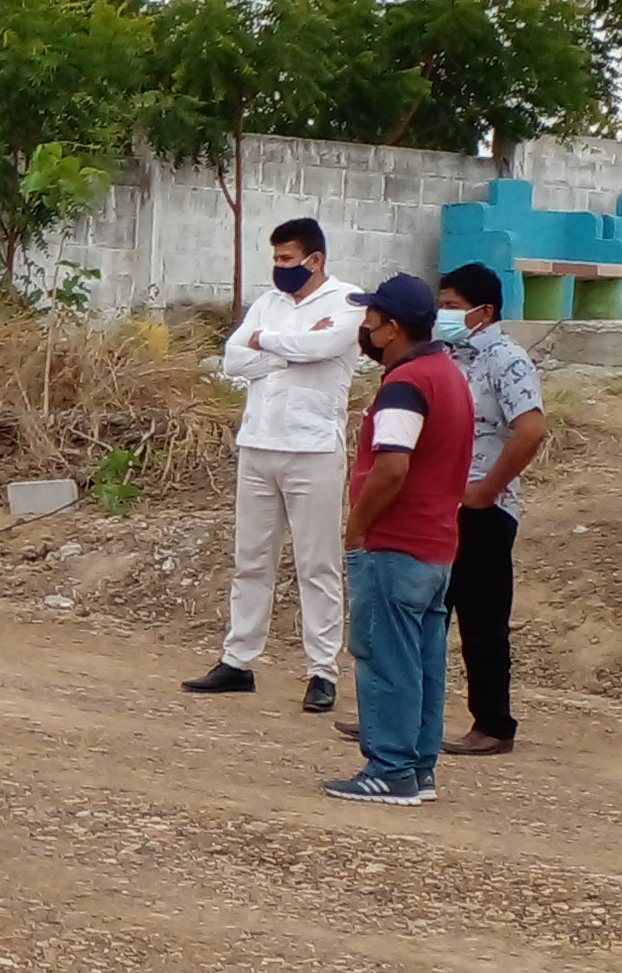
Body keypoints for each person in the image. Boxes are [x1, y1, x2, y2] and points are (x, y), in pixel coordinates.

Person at [182, 219, 361, 713]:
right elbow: (232, 360)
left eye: (287, 259)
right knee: (252, 558)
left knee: (316, 563)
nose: (279, 268)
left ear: (315, 259)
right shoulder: (268, 303)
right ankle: (238, 660)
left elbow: (324, 348)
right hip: (258, 443)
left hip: (313, 448)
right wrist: (285, 352)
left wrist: (266, 342)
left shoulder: (347, 301)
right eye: (276, 258)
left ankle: (322, 670)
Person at [326, 274, 476, 808]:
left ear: (392, 328)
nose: (365, 329)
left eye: (371, 320)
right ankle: (417, 767)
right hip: (437, 545)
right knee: (423, 663)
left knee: (386, 658)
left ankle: (389, 768)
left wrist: (357, 527)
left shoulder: (405, 384)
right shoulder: (449, 375)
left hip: (396, 543)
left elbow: (392, 466)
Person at [437, 264, 547, 756]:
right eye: (440, 305)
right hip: (437, 503)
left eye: (452, 307)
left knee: (481, 620)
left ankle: (493, 724)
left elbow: (531, 429)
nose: (443, 315)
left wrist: (487, 489)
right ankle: (404, 713)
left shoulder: (506, 359)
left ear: (484, 311)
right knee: (423, 613)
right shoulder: (444, 355)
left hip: (483, 508)